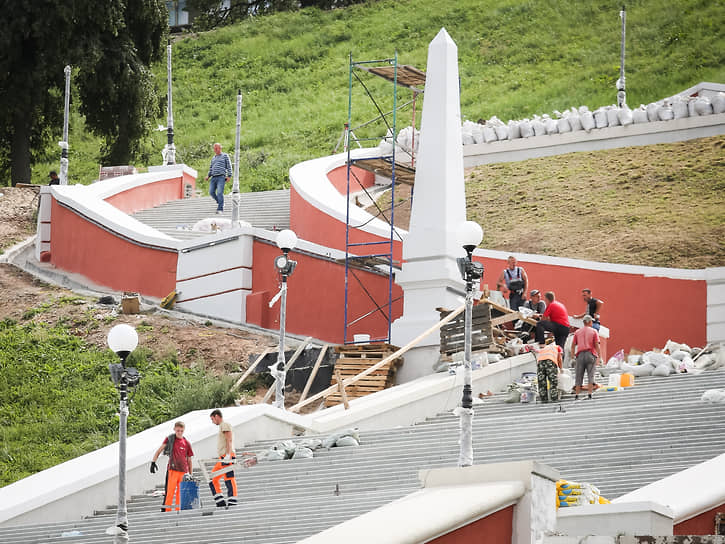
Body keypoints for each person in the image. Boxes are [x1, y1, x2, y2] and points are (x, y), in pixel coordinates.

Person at [150, 421, 194, 512]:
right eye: (178, 430)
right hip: (172, 470)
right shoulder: (170, 439)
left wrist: (190, 474)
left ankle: (178, 511)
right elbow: (159, 450)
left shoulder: (186, 443)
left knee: (180, 494)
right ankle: (167, 511)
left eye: (181, 431)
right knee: (170, 492)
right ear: (174, 429)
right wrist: (153, 462)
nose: (179, 432)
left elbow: (189, 460)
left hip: (183, 472)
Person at [209, 409, 237, 507]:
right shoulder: (222, 426)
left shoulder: (224, 425)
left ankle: (232, 501)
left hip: (227, 456)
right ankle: (220, 501)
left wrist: (228, 455)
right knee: (212, 477)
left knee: (229, 478)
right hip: (222, 457)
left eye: (212, 419)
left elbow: (229, 440)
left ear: (216, 416)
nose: (212, 422)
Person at [571, 314, 601, 400]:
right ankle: (590, 394)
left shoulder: (577, 332)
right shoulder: (594, 331)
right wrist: (600, 357)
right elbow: (596, 345)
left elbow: (573, 346)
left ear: (583, 322)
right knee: (591, 375)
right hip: (590, 354)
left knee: (578, 375)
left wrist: (572, 357)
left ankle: (577, 395)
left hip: (580, 355)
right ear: (590, 322)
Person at [205, 143, 232, 214]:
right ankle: (220, 202)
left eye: (217, 148)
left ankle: (220, 208)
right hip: (213, 177)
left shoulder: (225, 156)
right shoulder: (213, 158)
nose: (215, 150)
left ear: (220, 148)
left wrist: (229, 176)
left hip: (221, 177)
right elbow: (211, 168)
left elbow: (229, 166)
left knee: (219, 192)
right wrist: (208, 176)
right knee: (211, 192)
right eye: (214, 148)